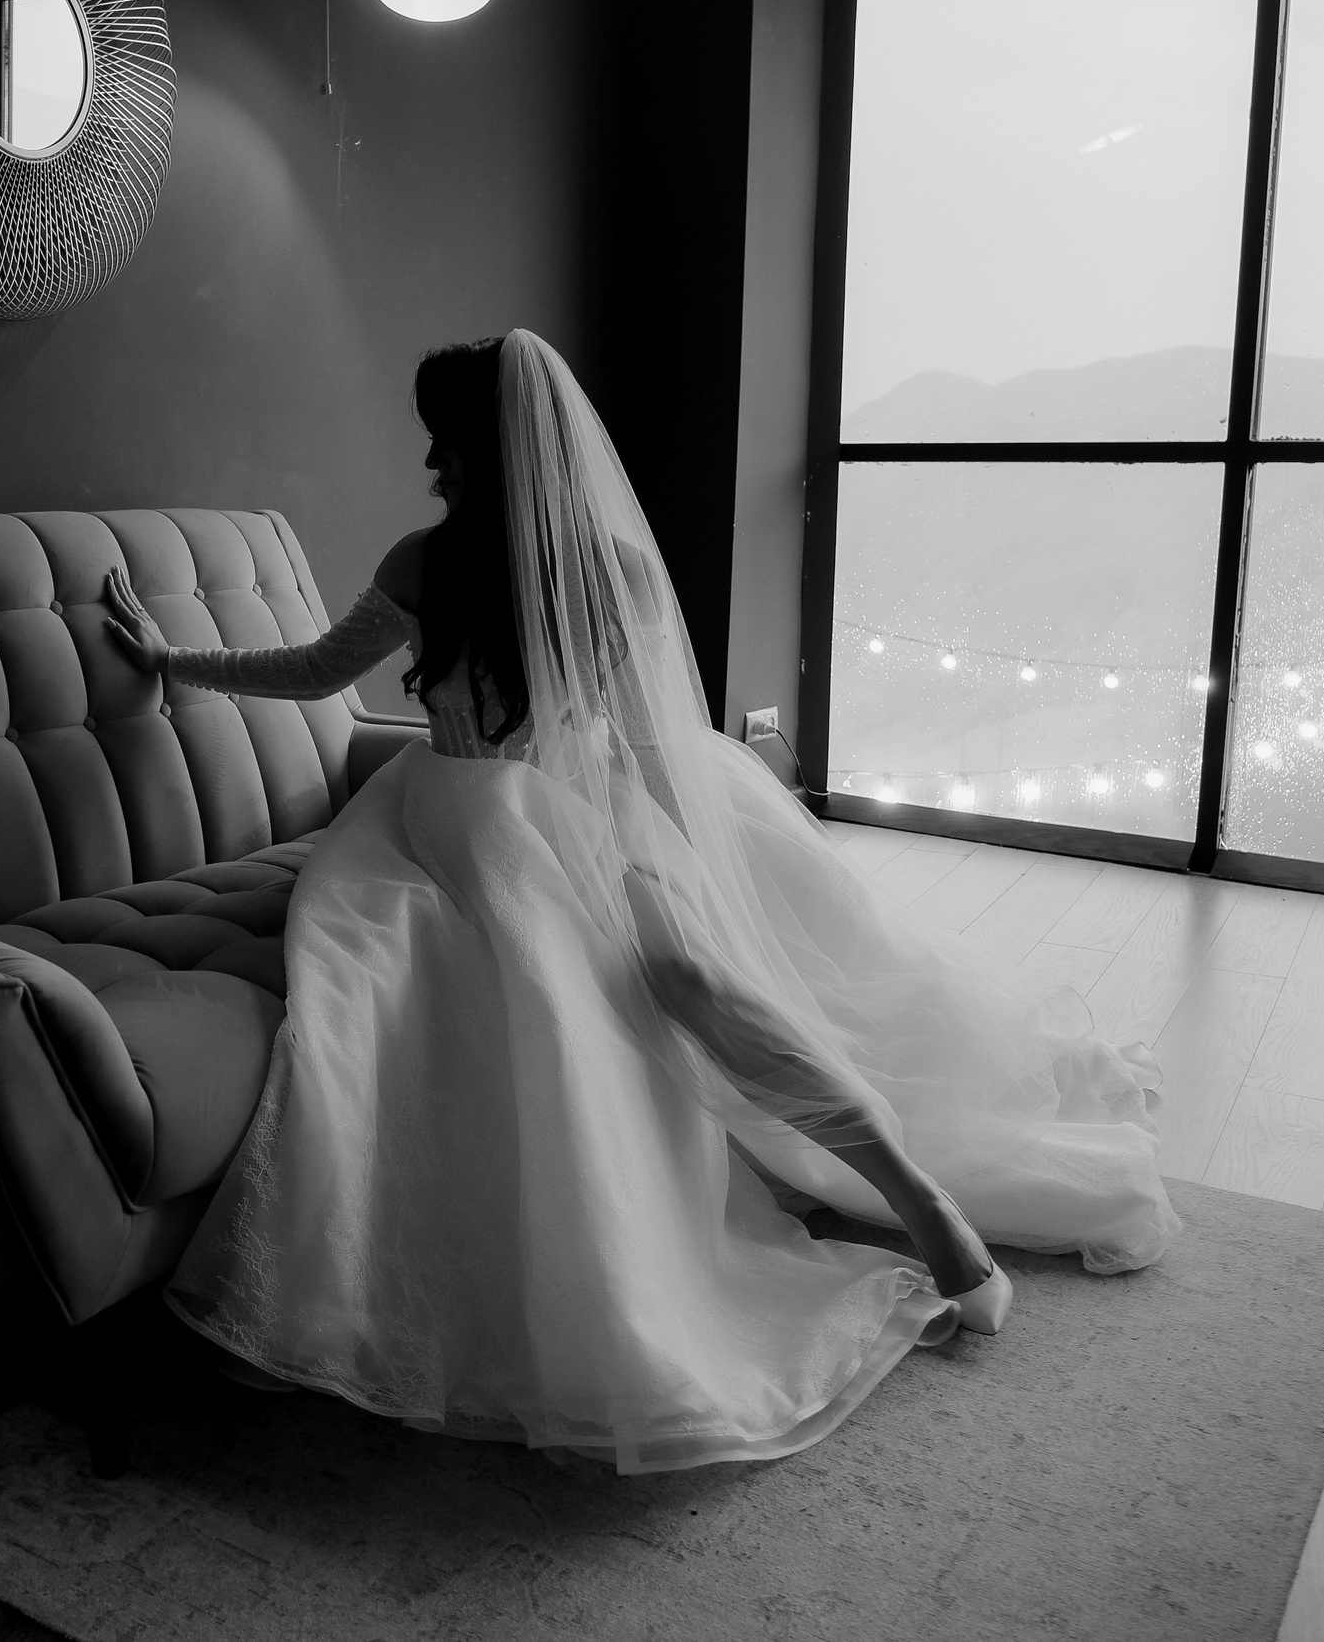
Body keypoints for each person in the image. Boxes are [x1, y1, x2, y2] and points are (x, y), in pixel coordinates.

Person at [100, 331, 1178, 1473]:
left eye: (452, 445)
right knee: (521, 994)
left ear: (508, 451)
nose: (433, 466)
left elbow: (649, 746)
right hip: (446, 825)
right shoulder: (423, 561)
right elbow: (317, 672)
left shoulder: (604, 571)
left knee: (694, 979)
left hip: (590, 810)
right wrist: (173, 659)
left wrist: (675, 868)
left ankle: (927, 1210)